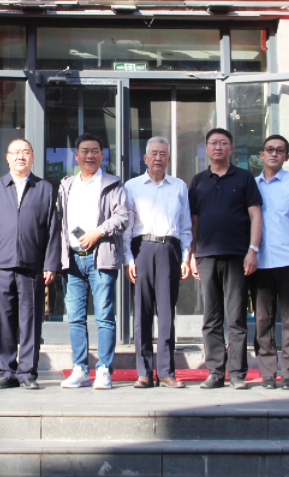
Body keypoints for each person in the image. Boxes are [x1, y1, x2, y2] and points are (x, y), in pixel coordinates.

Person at [0, 138, 60, 390]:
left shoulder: (44, 188)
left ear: (32, 157)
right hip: (1, 266)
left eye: (25, 152)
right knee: (3, 320)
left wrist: (50, 263)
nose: (20, 157)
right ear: (7, 158)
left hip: (32, 266)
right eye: (15, 152)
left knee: (31, 321)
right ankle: (6, 371)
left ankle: (27, 372)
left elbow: (53, 229)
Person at [188, 128, 262, 390]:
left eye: (223, 143)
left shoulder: (244, 178)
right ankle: (215, 372)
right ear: (206, 148)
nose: (218, 147)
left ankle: (238, 373)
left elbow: (256, 215)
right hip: (207, 256)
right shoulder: (198, 181)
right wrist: (192, 254)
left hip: (237, 255)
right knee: (211, 318)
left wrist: (253, 250)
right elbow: (194, 222)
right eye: (213, 143)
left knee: (237, 317)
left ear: (231, 147)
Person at [57, 133, 129, 390]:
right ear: (76, 155)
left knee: (105, 317)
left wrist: (98, 232)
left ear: (102, 155)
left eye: (95, 151)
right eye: (85, 151)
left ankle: (104, 370)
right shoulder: (66, 185)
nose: (90, 155)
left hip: (102, 258)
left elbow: (122, 216)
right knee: (75, 317)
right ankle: (80, 368)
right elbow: (61, 220)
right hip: (73, 259)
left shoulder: (113, 184)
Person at [123, 137, 192, 389]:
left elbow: (185, 226)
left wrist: (185, 256)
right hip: (142, 248)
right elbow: (126, 228)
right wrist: (128, 259)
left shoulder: (179, 186)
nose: (158, 158)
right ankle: (144, 372)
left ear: (169, 159)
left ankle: (166, 372)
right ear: (145, 158)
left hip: (169, 250)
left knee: (166, 314)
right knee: (142, 313)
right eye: (154, 153)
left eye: (163, 154)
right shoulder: (132, 186)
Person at [253, 134, 289, 390]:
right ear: (262, 154)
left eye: (280, 150)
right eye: (270, 149)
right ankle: (268, 373)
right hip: (260, 263)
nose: (274, 154)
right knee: (262, 321)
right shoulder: (252, 184)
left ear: (286, 156)